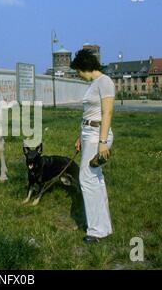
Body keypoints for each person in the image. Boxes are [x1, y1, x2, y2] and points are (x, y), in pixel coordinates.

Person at [70, 49, 115, 244]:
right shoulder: (95, 83)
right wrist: (80, 136)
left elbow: (107, 113)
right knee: (96, 179)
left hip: (98, 135)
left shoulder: (104, 81)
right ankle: (103, 226)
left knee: (86, 179)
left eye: (78, 71)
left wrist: (103, 143)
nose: (78, 75)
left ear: (84, 67)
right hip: (89, 134)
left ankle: (96, 230)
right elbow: (90, 113)